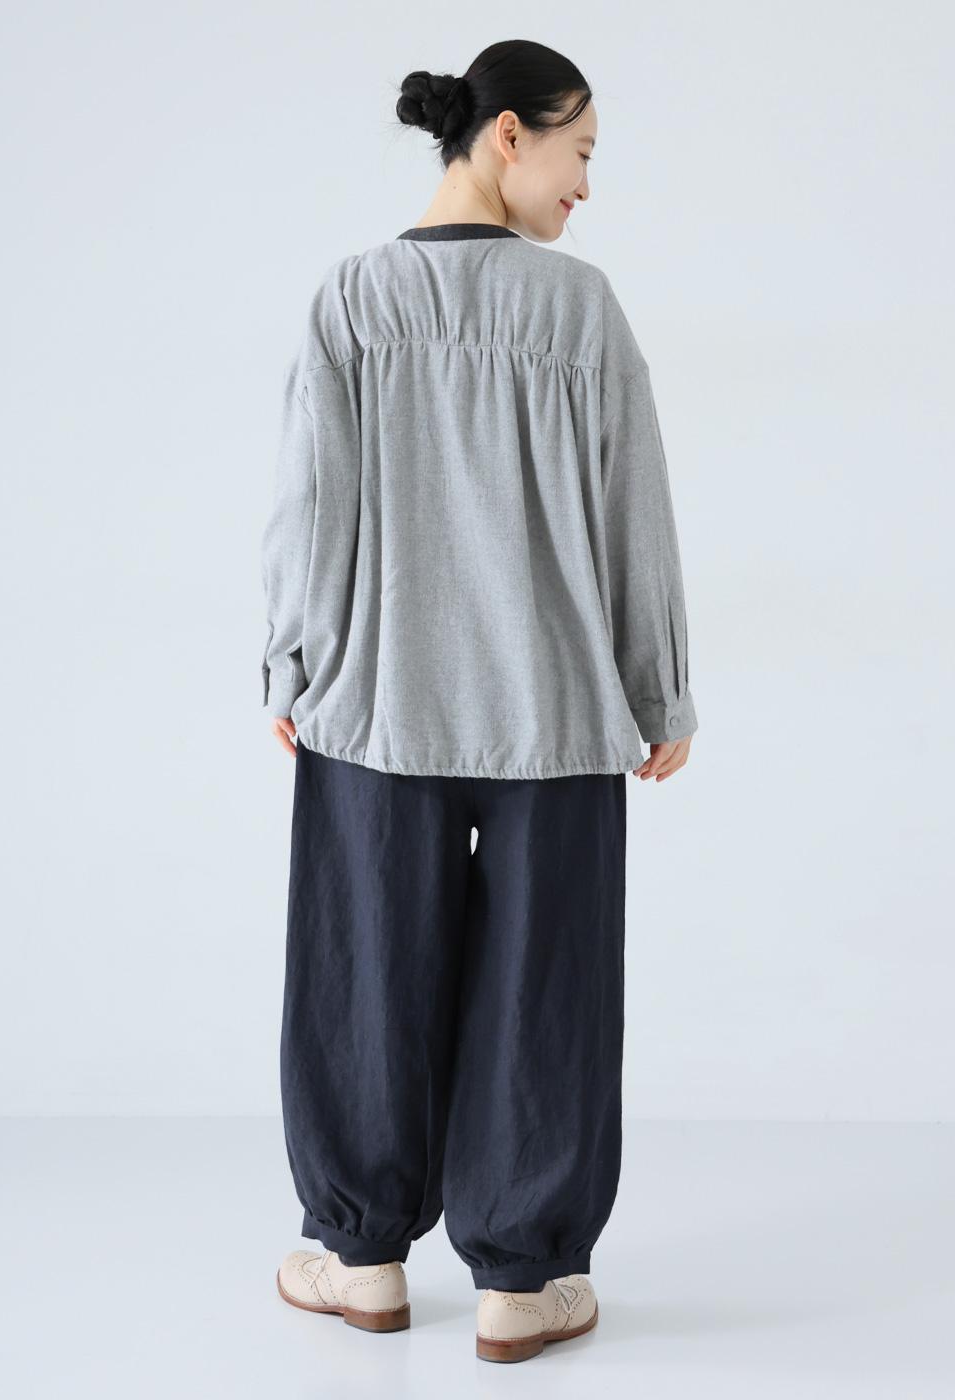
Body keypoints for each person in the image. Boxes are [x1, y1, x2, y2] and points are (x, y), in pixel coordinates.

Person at [260, 39, 698, 1364]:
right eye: (580, 155)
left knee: (364, 978)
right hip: (555, 717)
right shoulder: (584, 313)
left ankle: (362, 1260)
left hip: (378, 709)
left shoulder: (353, 299)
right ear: (510, 134)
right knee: (542, 991)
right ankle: (524, 1278)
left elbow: (310, 507)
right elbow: (634, 519)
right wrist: (659, 689)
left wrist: (292, 663)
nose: (586, 188)